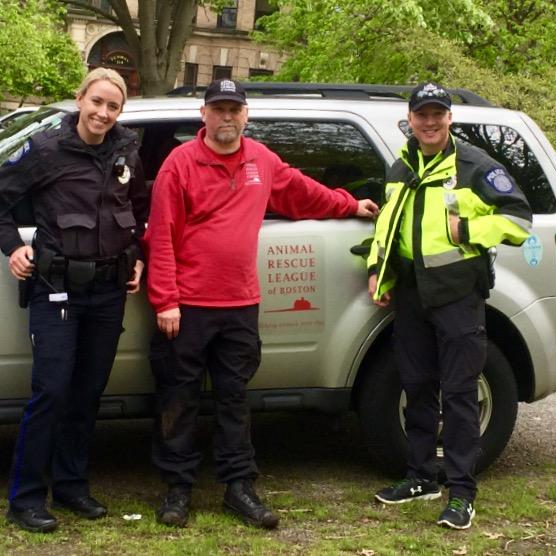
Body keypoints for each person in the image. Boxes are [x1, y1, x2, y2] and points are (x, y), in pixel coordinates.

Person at [144, 78, 378, 529]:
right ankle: (177, 489)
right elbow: (161, 236)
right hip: (188, 305)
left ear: (246, 116)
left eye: (235, 109)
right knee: (178, 397)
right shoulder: (180, 163)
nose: (227, 116)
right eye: (219, 109)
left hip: (240, 302)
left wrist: (349, 205)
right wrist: (166, 301)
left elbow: (303, 192)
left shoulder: (261, 160)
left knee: (235, 399)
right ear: (204, 115)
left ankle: (239, 487)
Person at [368, 82, 532, 530]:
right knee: (417, 385)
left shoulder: (475, 166)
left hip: (457, 295)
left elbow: (519, 220)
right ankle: (421, 476)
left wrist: (470, 233)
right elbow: (389, 223)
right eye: (423, 114)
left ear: (449, 118)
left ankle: (461, 492)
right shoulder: (401, 165)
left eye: (438, 114)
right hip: (411, 294)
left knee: (459, 395)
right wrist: (377, 267)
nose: (430, 121)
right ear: (411, 118)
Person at [0, 68, 149, 532]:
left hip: (109, 291)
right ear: (80, 98)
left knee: (87, 394)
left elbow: (140, 211)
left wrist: (139, 256)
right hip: (57, 288)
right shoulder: (45, 150)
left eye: (113, 106)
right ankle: (25, 498)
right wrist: (14, 247)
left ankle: (70, 487)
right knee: (52, 392)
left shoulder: (127, 149)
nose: (103, 113)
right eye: (97, 102)